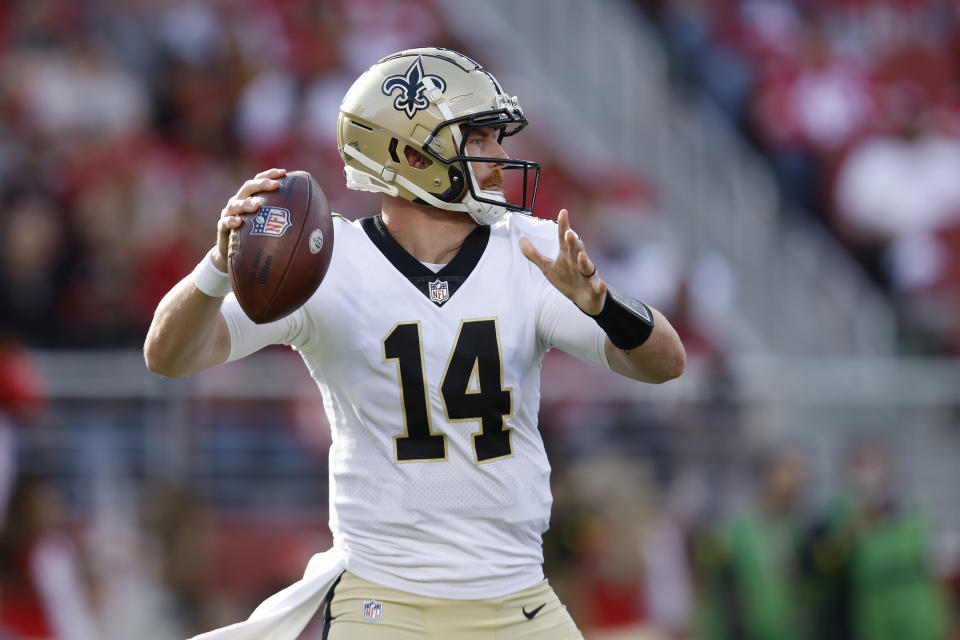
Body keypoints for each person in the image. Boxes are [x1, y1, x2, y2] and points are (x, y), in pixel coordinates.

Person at [144, 47, 685, 639]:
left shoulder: (528, 249)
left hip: (518, 599)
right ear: (408, 154)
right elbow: (170, 356)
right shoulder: (327, 262)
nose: (500, 157)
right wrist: (217, 267)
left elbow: (666, 363)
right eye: (477, 139)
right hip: (386, 604)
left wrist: (603, 305)